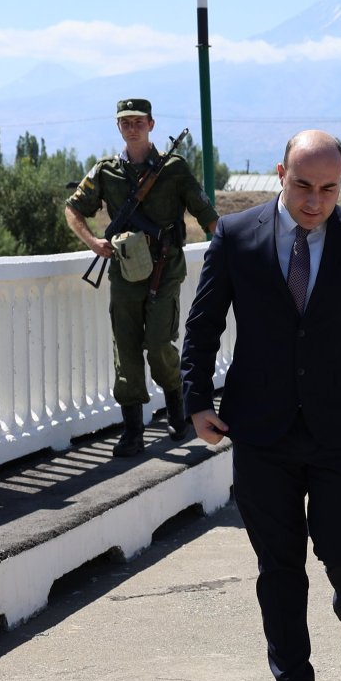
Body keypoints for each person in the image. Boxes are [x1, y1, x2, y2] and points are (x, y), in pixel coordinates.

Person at [181, 130, 341, 681]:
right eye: (304, 186)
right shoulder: (236, 235)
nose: (315, 201)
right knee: (277, 565)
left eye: (329, 189)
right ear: (280, 173)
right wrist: (197, 399)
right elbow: (203, 322)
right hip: (260, 431)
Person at [64, 98, 218, 456]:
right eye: (125, 122)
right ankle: (133, 430)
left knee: (160, 343)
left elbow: (206, 214)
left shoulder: (174, 168)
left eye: (138, 121)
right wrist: (93, 242)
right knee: (127, 349)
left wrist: (234, 250)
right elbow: (73, 208)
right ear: (119, 127)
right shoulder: (106, 171)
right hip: (125, 271)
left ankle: (177, 409)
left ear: (151, 124)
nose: (132, 127)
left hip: (165, 269)